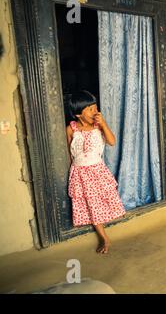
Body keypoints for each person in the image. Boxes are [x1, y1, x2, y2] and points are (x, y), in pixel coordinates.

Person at [66, 90, 125, 254]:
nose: (95, 111)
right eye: (90, 109)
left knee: (101, 202)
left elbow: (112, 142)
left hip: (97, 172)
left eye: (95, 107)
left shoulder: (99, 127)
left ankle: (106, 234)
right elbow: (69, 152)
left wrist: (104, 124)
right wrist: (73, 175)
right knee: (91, 206)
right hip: (80, 173)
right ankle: (105, 238)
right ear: (78, 114)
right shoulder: (71, 129)